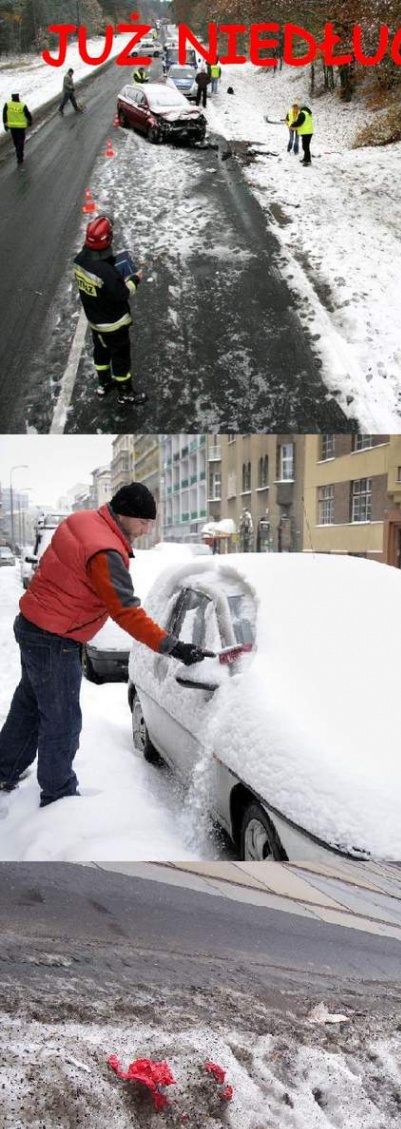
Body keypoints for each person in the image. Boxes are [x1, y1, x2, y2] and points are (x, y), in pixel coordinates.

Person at [0, 481, 204, 810]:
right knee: (62, 721)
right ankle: (58, 796)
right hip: (55, 639)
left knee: (29, 706)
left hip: (34, 625)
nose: (147, 529)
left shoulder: (82, 520)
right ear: (124, 514)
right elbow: (126, 612)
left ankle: (4, 770)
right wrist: (174, 647)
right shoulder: (105, 551)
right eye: (144, 522)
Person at [72, 214, 145, 408]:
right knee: (121, 359)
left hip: (95, 321)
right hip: (114, 324)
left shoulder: (79, 260)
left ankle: (104, 384)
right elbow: (122, 294)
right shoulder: (107, 272)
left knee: (101, 352)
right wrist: (135, 279)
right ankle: (125, 393)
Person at [2, 92, 32, 165]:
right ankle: (20, 155)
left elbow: (4, 115)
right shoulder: (22, 105)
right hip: (21, 127)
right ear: (18, 97)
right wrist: (30, 121)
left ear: (12, 97)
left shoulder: (8, 104)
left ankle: (18, 151)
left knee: (15, 141)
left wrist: (5, 124)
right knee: (20, 142)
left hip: (12, 127)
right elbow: (27, 114)